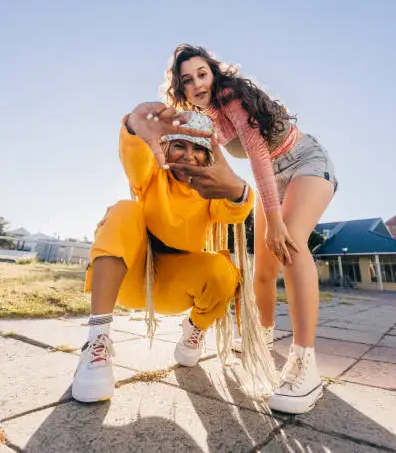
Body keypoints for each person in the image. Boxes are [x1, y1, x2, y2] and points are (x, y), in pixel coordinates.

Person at [163, 45, 338, 415]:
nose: (196, 83)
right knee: (262, 273)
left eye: (202, 74)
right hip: (272, 177)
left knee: (289, 246)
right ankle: (261, 335)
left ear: (214, 73)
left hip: (305, 160)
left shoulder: (231, 96)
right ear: (181, 87)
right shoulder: (205, 114)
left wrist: (274, 220)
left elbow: (257, 152)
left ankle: (305, 364)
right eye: (187, 79)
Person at [72, 102, 274, 404]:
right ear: (163, 148)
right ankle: (97, 342)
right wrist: (132, 126)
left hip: (175, 288)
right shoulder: (151, 175)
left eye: (198, 149)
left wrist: (237, 188)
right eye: (179, 145)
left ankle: (193, 329)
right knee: (124, 211)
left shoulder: (208, 190)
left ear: (209, 157)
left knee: (223, 270)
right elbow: (134, 157)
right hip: (130, 278)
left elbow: (234, 211)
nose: (189, 155)